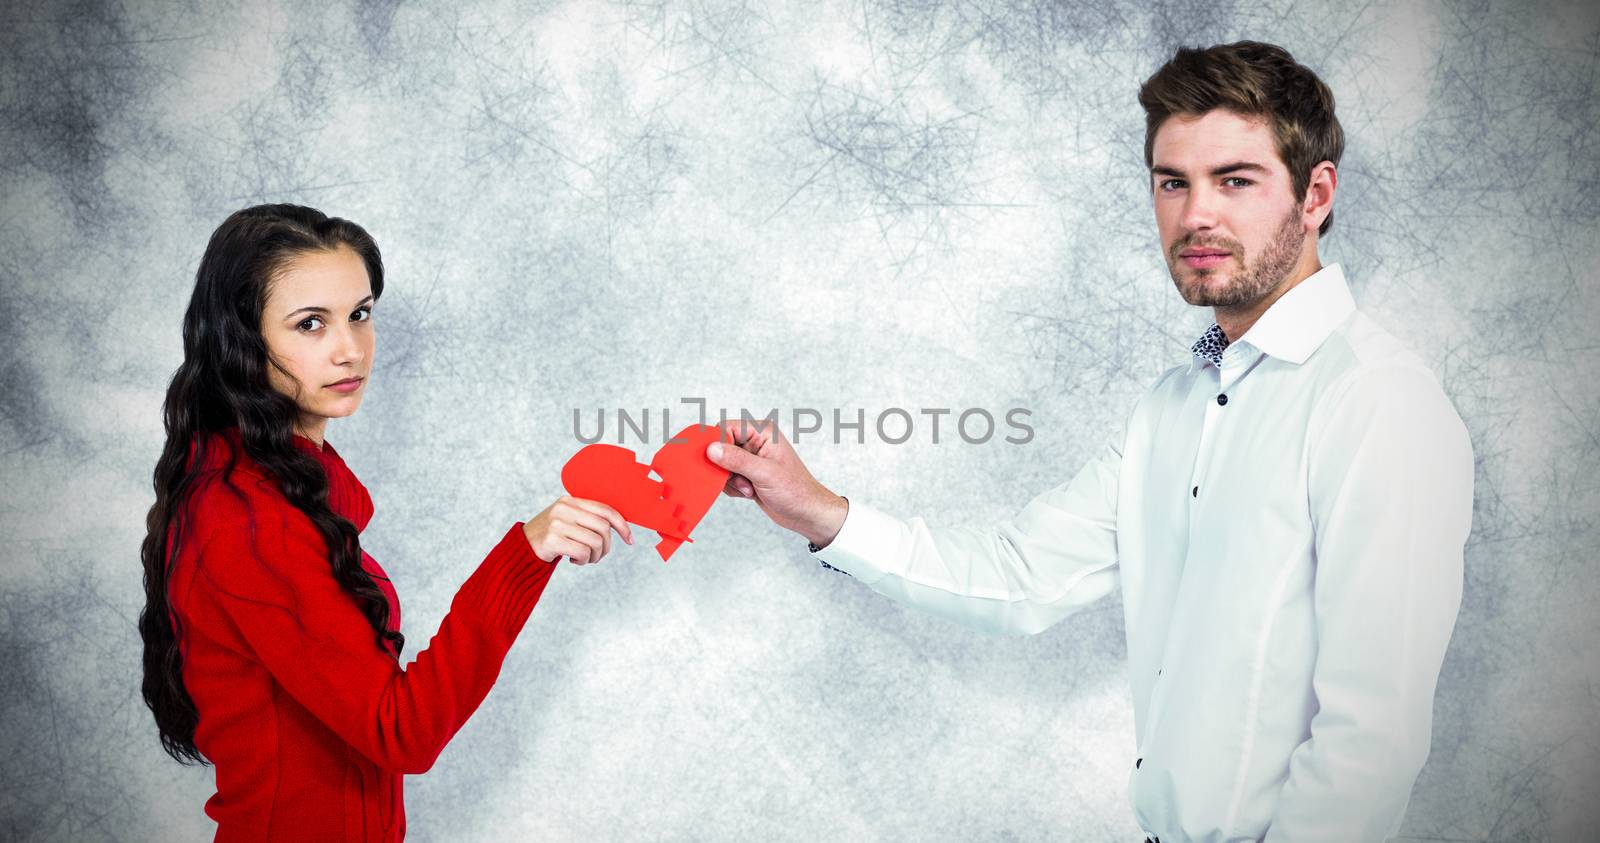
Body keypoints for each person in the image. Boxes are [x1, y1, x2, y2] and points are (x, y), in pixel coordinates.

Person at [704, 41, 1475, 842]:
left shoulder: (1378, 401)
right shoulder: (1176, 407)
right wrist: (817, 511)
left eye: (1235, 180)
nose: (1196, 214)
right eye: (1172, 182)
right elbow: (1017, 576)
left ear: (1316, 194)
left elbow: (1370, 744)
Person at [137, 204, 632, 842]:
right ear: (242, 336)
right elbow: (403, 732)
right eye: (310, 324)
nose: (350, 350)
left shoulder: (295, 486)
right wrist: (524, 555)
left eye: (360, 314)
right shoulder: (248, 520)